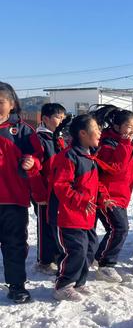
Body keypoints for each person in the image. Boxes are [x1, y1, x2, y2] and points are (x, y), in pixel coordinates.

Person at [48, 114, 112, 301]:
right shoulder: (68, 156)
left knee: (90, 248)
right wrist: (82, 201)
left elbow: (94, 184)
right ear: (83, 133)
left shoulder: (89, 156)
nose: (100, 132)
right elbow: (61, 186)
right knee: (76, 250)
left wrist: (103, 198)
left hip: (85, 216)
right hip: (67, 215)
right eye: (96, 129)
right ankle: (63, 285)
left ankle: (78, 282)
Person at [0, 82, 43, 304]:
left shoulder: (23, 130)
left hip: (12, 199)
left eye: (0, 102)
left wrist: (31, 163)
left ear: (12, 104)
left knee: (14, 243)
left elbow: (39, 158)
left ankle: (16, 285)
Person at [91, 105, 133, 283]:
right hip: (107, 196)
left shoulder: (123, 143)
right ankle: (106, 264)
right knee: (120, 228)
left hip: (120, 195)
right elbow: (114, 169)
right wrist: (125, 144)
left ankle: (98, 257)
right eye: (129, 127)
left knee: (114, 229)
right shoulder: (107, 144)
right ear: (117, 127)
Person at [34, 103, 67, 275]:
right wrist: (39, 192)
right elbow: (35, 169)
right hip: (43, 190)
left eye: (63, 117)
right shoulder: (39, 139)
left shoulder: (59, 138)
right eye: (57, 117)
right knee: (44, 225)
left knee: (54, 223)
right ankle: (43, 260)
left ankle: (54, 254)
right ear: (45, 119)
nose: (61, 120)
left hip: (57, 190)